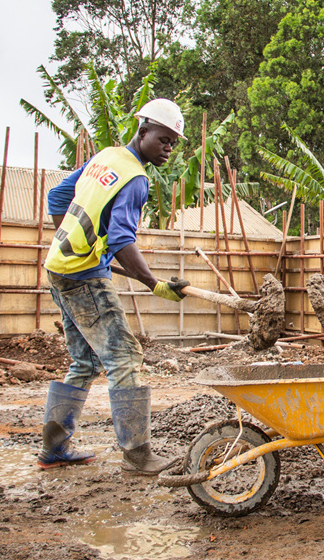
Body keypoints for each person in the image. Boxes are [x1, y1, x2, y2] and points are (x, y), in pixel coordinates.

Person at [37, 98, 191, 476]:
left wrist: (75, 241)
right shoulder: (135, 178)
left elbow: (58, 197)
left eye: (173, 143)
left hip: (58, 266)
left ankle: (54, 447)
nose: (168, 148)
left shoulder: (106, 157)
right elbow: (122, 239)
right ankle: (138, 455)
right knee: (124, 357)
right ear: (143, 131)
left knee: (86, 362)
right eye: (163, 140)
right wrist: (155, 284)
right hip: (83, 276)